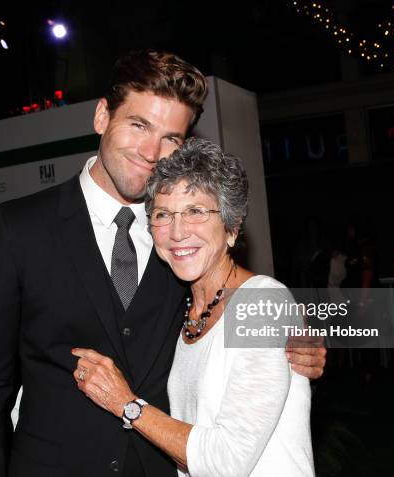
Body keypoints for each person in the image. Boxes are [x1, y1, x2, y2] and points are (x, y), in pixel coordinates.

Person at [0, 50, 325, 477]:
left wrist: (291, 350)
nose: (152, 151)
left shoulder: (182, 240)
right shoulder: (19, 227)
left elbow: (229, 320)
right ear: (101, 117)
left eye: (171, 138)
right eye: (139, 125)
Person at [72, 138, 314, 477]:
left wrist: (125, 404)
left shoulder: (262, 304)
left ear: (231, 227)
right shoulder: (181, 310)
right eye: (162, 214)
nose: (177, 232)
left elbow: (226, 460)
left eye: (196, 212)